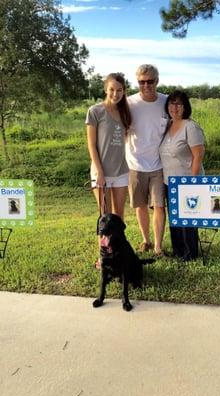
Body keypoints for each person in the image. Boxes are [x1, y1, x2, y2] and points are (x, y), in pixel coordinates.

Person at [85, 73, 131, 267]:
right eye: (112, 89)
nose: (115, 93)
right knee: (105, 219)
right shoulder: (95, 111)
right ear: (106, 89)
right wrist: (99, 172)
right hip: (101, 173)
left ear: (124, 91)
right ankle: (103, 257)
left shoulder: (125, 112)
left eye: (119, 90)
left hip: (121, 171)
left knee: (118, 218)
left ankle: (118, 255)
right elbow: (91, 144)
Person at [126, 64, 168, 256]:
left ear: (157, 81)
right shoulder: (128, 103)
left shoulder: (166, 102)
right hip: (135, 164)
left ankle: (158, 246)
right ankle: (146, 240)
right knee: (140, 205)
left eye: (150, 81)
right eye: (141, 82)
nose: (146, 85)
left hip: (159, 165)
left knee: (159, 205)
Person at [159, 90, 205, 261]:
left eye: (178, 103)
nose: (174, 107)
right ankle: (178, 250)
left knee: (188, 219)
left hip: (187, 181)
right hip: (169, 182)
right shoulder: (168, 125)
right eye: (171, 103)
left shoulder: (190, 127)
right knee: (175, 219)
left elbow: (198, 156)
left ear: (185, 106)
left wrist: (192, 182)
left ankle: (190, 253)